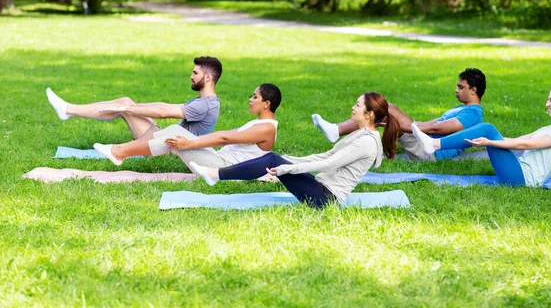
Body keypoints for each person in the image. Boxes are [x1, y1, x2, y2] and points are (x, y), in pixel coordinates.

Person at [189, 92, 401, 209]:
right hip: (320, 188)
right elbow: (326, 155)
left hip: (326, 199)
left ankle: (215, 175)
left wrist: (287, 169)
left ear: (370, 114)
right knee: (274, 159)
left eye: (357, 105)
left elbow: (329, 164)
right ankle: (216, 175)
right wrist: (290, 160)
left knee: (272, 160)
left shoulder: (366, 142)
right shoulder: (360, 134)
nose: (353, 108)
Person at [411, 84, 551, 187]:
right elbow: (519, 140)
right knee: (487, 130)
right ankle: (434, 145)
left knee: (487, 128)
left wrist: (490, 141)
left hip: (523, 179)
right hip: (518, 170)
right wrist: (491, 141)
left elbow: (524, 146)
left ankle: (434, 145)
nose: (547, 104)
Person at [93, 84, 282, 176]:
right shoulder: (259, 123)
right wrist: (191, 141)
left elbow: (224, 138)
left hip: (223, 167)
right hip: (219, 159)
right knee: (176, 131)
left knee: (177, 134)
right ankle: (119, 151)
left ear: (266, 104)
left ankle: (119, 152)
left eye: (255, 97)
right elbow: (223, 135)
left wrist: (190, 143)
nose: (250, 99)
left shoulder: (266, 128)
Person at [312, 68, 486, 161]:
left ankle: (337, 131)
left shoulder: (472, 114)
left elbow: (436, 129)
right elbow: (433, 122)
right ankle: (347, 139)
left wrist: (402, 125)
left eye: (460, 87)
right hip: (423, 142)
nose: (456, 90)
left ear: (473, 90)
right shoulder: (462, 110)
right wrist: (408, 123)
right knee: (384, 114)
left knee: (388, 110)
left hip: (431, 153)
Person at [46, 56, 222, 141]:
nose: (191, 76)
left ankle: (68, 110)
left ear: (207, 78)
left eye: (195, 73)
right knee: (126, 101)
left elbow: (162, 112)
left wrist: (127, 109)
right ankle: (68, 110)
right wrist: (135, 106)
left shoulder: (204, 105)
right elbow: (164, 106)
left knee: (124, 104)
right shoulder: (206, 102)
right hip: (165, 139)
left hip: (167, 148)